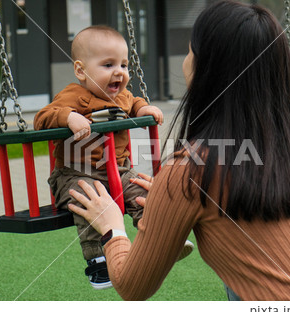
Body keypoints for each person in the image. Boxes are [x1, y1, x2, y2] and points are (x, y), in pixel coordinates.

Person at [68, 1, 290, 301]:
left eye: (190, 51)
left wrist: (111, 227)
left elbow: (132, 286)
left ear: (206, 70)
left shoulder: (188, 174)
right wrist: (170, 203)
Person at [34, 25, 193, 290]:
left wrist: (146, 108)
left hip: (118, 171)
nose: (119, 71)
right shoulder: (73, 96)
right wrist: (69, 117)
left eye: (123, 64)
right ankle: (98, 261)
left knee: (143, 190)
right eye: (108, 65)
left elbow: (136, 102)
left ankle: (161, 239)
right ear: (81, 71)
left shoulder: (123, 96)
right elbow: (42, 117)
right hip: (76, 174)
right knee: (90, 201)